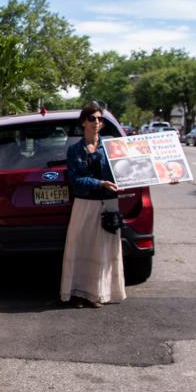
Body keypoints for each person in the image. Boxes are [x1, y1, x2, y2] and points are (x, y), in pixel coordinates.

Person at [59, 102, 126, 309]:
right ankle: (77, 294)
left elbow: (131, 169)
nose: (96, 122)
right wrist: (99, 183)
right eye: (92, 119)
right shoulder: (74, 150)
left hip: (108, 204)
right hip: (85, 205)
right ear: (83, 122)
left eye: (99, 119)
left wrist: (165, 175)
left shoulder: (113, 147)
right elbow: (75, 180)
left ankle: (98, 293)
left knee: (104, 252)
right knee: (80, 249)